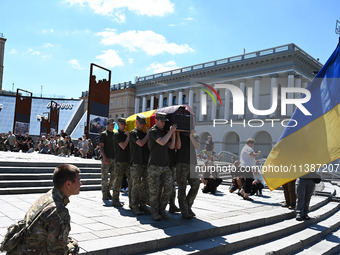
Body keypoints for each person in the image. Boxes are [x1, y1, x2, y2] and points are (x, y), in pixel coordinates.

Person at [8, 164, 81, 254]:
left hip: (20, 249)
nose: (80, 184)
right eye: (78, 180)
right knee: (74, 248)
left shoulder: (47, 196)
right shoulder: (59, 212)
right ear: (68, 184)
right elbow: (56, 252)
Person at [148, 112, 176, 221]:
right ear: (157, 120)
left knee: (169, 188)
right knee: (154, 191)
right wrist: (170, 132)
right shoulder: (153, 131)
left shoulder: (165, 131)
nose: (164, 123)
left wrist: (173, 135)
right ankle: (154, 212)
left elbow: (171, 146)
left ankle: (162, 209)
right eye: (162, 121)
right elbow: (162, 142)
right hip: (154, 165)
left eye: (165, 121)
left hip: (165, 165)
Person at [175, 130, 200, 219]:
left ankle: (188, 206)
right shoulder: (178, 133)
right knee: (182, 188)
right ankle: (184, 210)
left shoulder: (194, 135)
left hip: (193, 163)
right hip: (181, 163)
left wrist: (190, 136)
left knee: (196, 184)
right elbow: (177, 146)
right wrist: (177, 133)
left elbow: (197, 146)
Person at [129, 114, 150, 215]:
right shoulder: (133, 133)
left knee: (145, 185)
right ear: (136, 122)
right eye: (141, 123)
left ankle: (143, 204)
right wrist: (148, 135)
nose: (142, 125)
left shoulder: (144, 134)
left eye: (143, 124)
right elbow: (141, 143)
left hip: (145, 162)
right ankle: (134, 206)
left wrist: (147, 135)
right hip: (136, 162)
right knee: (135, 185)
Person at [112, 117, 130, 207]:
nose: (123, 126)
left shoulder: (125, 134)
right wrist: (128, 137)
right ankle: (115, 200)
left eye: (124, 124)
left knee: (131, 180)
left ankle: (132, 202)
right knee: (118, 182)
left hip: (127, 161)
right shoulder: (117, 134)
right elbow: (123, 146)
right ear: (118, 124)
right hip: (119, 161)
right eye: (122, 124)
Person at [99, 118, 115, 200]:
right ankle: (104, 194)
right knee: (104, 177)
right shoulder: (103, 134)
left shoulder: (115, 134)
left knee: (113, 177)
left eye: (114, 124)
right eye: (111, 124)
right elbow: (101, 147)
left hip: (114, 159)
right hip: (106, 158)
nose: (113, 126)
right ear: (108, 125)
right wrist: (104, 157)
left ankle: (108, 190)